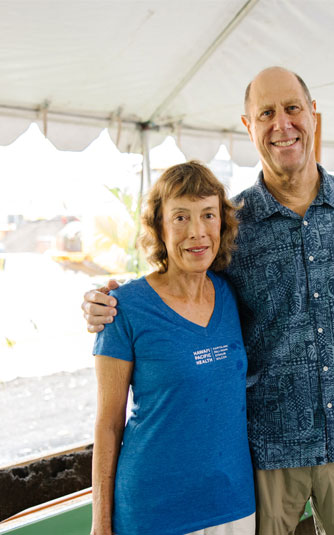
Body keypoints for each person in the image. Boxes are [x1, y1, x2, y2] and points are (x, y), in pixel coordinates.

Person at [84, 67, 334, 535]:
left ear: (314, 115)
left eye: (293, 108)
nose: (282, 124)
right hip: (266, 453)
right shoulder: (231, 227)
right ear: (248, 126)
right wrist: (106, 302)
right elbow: (176, 283)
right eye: (266, 113)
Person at [91, 161, 255, 535]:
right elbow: (108, 424)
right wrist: (101, 524)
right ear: (159, 227)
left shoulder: (231, 294)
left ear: (222, 224)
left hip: (234, 504)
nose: (196, 233)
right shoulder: (123, 308)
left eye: (207, 215)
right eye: (180, 217)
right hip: (154, 511)